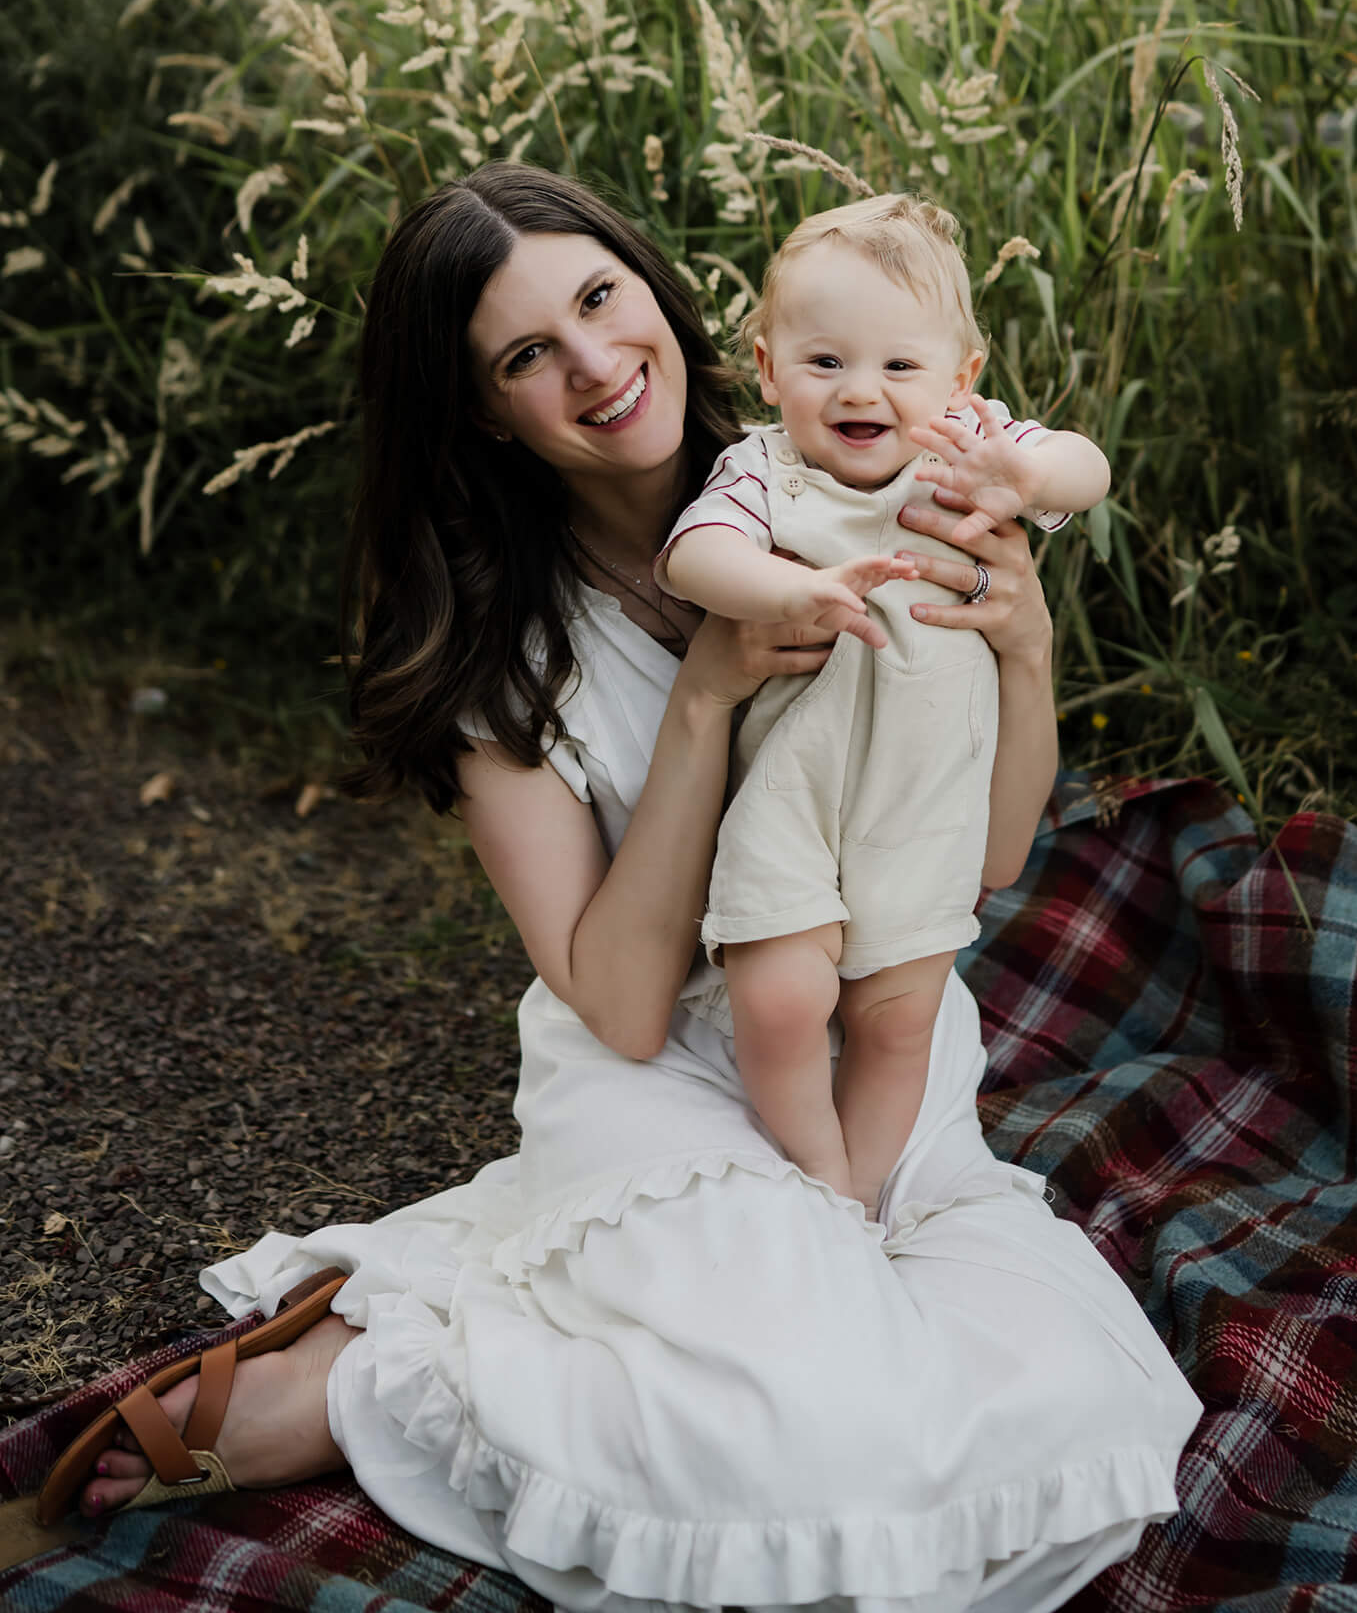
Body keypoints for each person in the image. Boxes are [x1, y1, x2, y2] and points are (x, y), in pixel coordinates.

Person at [42, 162, 1200, 1613]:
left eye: (599, 298)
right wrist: (706, 698)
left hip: (876, 1062)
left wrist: (1022, 648)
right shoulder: (501, 657)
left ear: (657, 292)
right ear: (480, 408)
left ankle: (459, 1326)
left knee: (1053, 1415)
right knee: (817, 1437)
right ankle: (377, 1387)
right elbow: (627, 1005)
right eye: (527, 353)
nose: (594, 364)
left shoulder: (856, 460)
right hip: (664, 1072)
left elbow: (986, 857)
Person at [658, 194, 1110, 1214]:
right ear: (770, 370)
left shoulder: (973, 456)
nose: (861, 389)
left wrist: (1026, 469)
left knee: (898, 1016)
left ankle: (858, 1196)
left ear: (961, 380)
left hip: (925, 795)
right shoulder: (763, 470)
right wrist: (787, 589)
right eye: (824, 363)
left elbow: (1089, 468)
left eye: (899, 366)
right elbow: (694, 555)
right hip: (793, 783)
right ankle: (817, 1165)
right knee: (780, 996)